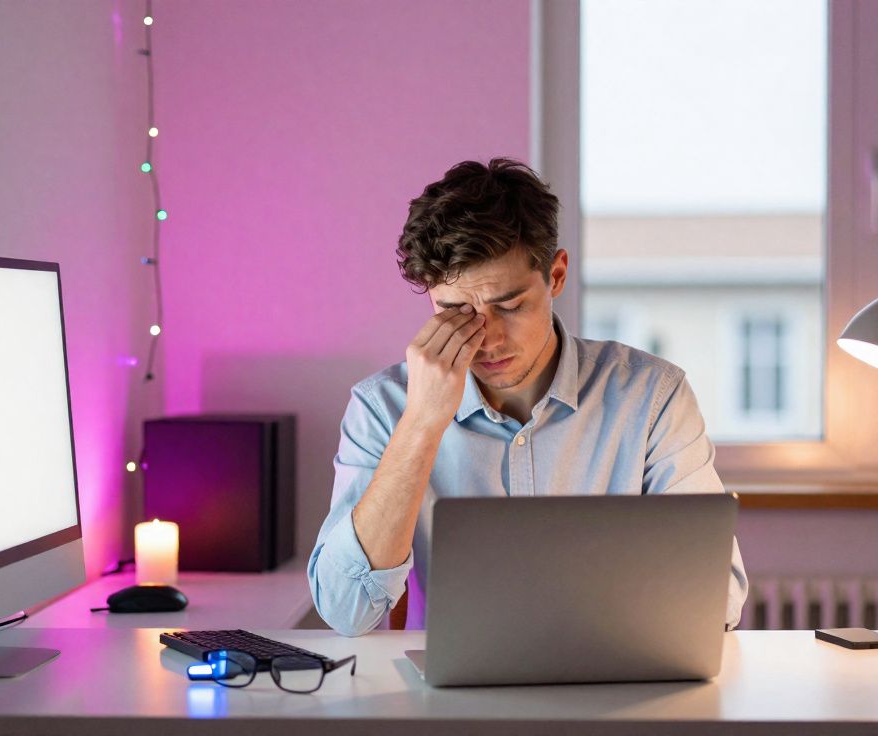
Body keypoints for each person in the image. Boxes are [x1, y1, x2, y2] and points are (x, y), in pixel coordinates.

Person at [307, 157, 747, 637]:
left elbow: (716, 599)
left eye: (511, 306)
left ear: (556, 275)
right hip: (445, 703)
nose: (487, 340)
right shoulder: (382, 407)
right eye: (456, 312)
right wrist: (420, 423)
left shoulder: (652, 396)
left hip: (609, 688)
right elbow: (345, 611)